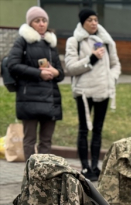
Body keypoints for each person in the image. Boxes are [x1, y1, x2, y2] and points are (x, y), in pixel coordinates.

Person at [65, 9, 121, 181]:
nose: (94, 23)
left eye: (96, 19)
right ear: (83, 22)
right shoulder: (75, 41)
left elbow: (115, 64)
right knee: (84, 129)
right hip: (84, 92)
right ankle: (84, 167)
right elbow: (71, 67)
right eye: (89, 20)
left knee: (98, 129)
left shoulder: (107, 41)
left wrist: (111, 78)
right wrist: (92, 58)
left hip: (103, 90)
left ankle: (95, 166)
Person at [6, 6, 63, 160]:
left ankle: (43, 177)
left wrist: (55, 72)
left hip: (51, 99)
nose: (41, 24)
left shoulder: (51, 43)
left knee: (46, 141)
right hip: (29, 98)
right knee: (30, 140)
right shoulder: (22, 41)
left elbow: (61, 73)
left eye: (44, 20)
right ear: (30, 23)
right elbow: (13, 65)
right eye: (37, 21)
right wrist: (39, 73)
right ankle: (32, 177)